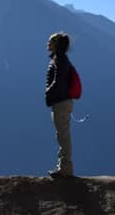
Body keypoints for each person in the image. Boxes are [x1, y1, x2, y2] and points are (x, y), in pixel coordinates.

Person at [45, 31, 75, 178]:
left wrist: (48, 93)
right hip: (64, 101)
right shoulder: (62, 59)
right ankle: (63, 166)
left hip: (60, 102)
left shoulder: (60, 60)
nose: (47, 43)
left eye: (50, 41)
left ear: (56, 44)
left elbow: (57, 81)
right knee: (63, 134)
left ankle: (65, 168)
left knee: (63, 135)